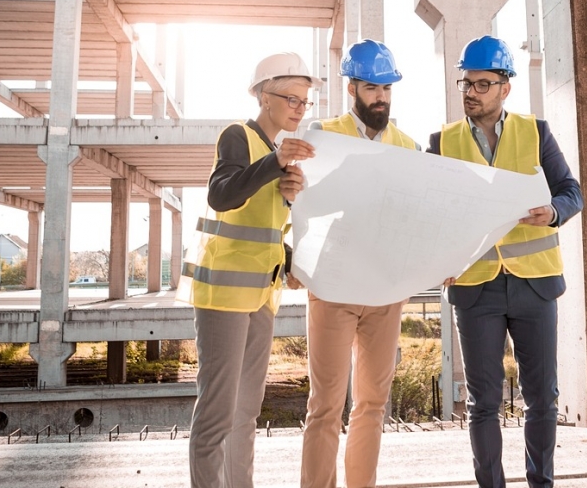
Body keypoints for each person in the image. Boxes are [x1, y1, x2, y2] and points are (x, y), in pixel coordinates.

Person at [427, 35, 583, 488]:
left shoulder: (536, 133)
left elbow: (571, 192)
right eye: (466, 83)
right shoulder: (442, 141)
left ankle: (541, 484)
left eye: (481, 84)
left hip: (535, 285)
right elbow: (425, 212)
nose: (470, 92)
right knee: (483, 402)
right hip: (476, 289)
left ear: (504, 88)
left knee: (541, 399)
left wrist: (552, 212)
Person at [179, 52, 319, 488]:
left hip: (261, 295)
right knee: (218, 411)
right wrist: (274, 165)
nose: (298, 107)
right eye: (290, 98)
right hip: (223, 295)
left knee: (246, 412)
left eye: (305, 101)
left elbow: (267, 232)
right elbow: (222, 196)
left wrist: (290, 200)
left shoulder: (279, 157)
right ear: (263, 96)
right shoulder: (239, 136)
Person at [289, 39, 419, 488]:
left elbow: (416, 218)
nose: (380, 96)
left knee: (372, 404)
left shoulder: (408, 146)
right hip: (333, 288)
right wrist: (294, 257)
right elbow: (299, 203)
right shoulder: (323, 136)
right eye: (370, 87)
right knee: (325, 404)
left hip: (385, 291)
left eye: (386, 87)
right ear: (351, 88)